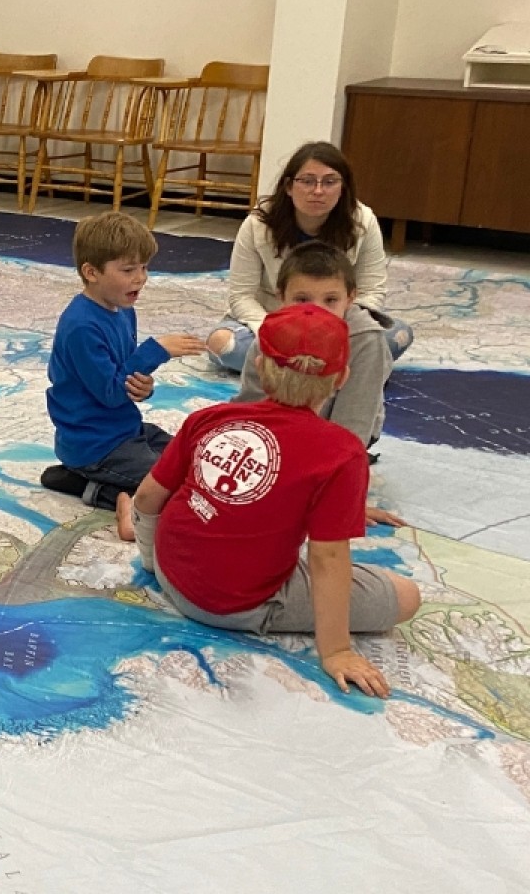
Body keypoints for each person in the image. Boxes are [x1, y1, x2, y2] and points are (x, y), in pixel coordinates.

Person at [115, 304, 422, 697]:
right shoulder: (342, 453)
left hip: (170, 572)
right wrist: (337, 650)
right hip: (236, 604)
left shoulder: (208, 418)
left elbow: (147, 497)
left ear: (258, 365)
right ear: (342, 378)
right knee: (406, 596)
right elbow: (327, 558)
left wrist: (152, 562)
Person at [40, 213, 204, 508]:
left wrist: (144, 386)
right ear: (91, 272)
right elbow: (112, 393)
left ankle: (86, 475)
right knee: (176, 489)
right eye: (128, 269)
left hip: (124, 429)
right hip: (95, 445)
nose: (140, 277)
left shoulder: (123, 309)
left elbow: (124, 377)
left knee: (193, 458)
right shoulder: (82, 326)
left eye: (144, 267)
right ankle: (90, 486)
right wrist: (157, 350)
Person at [207, 141, 411, 373]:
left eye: (330, 182)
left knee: (399, 334)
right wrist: (276, 330)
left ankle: (292, 369)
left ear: (343, 187)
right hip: (273, 320)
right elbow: (242, 296)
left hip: (338, 323)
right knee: (222, 344)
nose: (318, 191)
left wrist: (334, 329)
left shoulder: (362, 221)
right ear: (289, 186)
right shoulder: (258, 224)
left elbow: (371, 291)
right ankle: (331, 369)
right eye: (307, 181)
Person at [233, 242, 391, 450]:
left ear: (350, 298)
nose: (317, 311)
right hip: (278, 429)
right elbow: (250, 403)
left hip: (335, 433)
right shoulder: (271, 332)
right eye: (302, 299)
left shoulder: (366, 340)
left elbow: (355, 422)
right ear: (281, 297)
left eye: (331, 300)